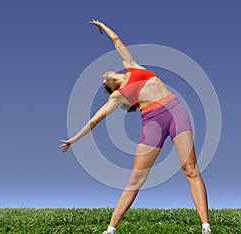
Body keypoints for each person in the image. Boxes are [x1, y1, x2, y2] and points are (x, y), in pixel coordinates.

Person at [59, 19, 211, 234]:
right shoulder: (118, 97)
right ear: (110, 87)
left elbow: (116, 40)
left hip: (176, 113)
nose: (105, 75)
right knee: (136, 178)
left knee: (191, 169)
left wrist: (103, 27)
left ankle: (206, 227)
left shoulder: (132, 66)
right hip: (153, 124)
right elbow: (94, 120)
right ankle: (110, 229)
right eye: (105, 80)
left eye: (106, 74)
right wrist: (73, 139)